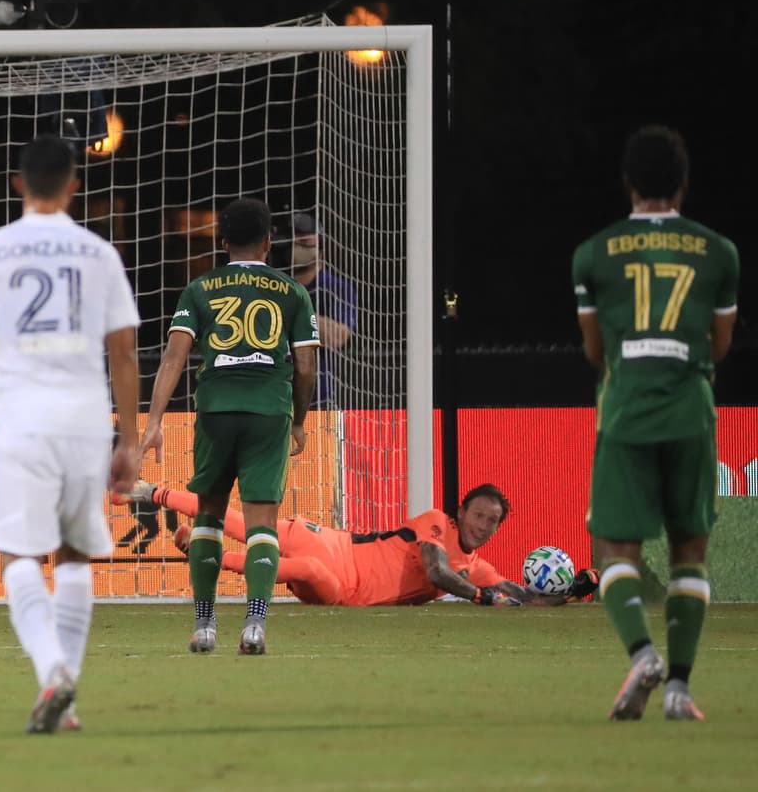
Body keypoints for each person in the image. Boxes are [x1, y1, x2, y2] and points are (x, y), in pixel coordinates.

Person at [0, 134, 140, 734]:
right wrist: (128, 440)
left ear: (18, 184)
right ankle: (65, 701)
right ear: (74, 185)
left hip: (22, 421)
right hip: (85, 421)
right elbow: (124, 351)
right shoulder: (100, 253)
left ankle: (52, 670)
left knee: (17, 554)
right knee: (75, 555)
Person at [573, 126, 739, 722]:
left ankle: (643, 655)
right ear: (684, 182)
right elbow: (720, 345)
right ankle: (679, 691)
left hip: (626, 412)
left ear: (628, 183)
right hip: (690, 410)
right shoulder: (718, 252)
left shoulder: (593, 254)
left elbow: (594, 350)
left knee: (617, 550)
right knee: (690, 551)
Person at [141, 197, 318, 655]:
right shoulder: (292, 292)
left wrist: (154, 421)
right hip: (268, 413)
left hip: (216, 412)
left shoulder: (200, 288)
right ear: (268, 242)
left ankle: (204, 624)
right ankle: (255, 623)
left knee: (208, 517)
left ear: (222, 242)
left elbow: (174, 357)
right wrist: (298, 421)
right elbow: (305, 365)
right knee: (262, 524)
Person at [119, 481, 598, 606]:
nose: (484, 526)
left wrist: (571, 592)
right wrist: (480, 597)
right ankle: (152, 492)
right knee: (244, 521)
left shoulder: (480, 570)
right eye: (478, 515)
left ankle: (210, 557)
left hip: (344, 587)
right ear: (460, 512)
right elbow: (437, 572)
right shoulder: (436, 523)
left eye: (493, 522)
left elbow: (524, 597)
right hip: (335, 542)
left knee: (308, 572)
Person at [289, 212, 358, 409]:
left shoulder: (337, 287)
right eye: (294, 242)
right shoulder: (271, 284)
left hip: (320, 399)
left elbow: (338, 336)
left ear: (321, 251)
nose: (299, 249)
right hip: (274, 396)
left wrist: (292, 311)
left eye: (305, 243)